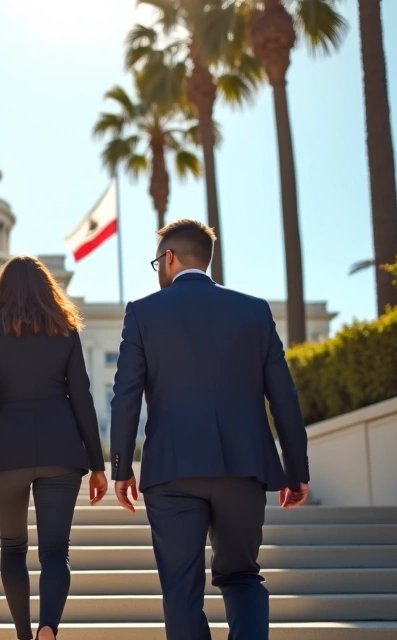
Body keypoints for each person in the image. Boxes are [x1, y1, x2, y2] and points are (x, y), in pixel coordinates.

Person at [110, 219, 310, 640]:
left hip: (172, 470)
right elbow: (284, 397)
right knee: (242, 576)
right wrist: (297, 470)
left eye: (156, 262)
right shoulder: (254, 310)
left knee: (181, 590)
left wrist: (121, 467)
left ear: (169, 258)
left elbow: (126, 395)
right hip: (244, 467)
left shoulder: (143, 312)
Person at [0, 255, 108, 640]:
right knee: (55, 552)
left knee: (12, 547)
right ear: (48, 289)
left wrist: (3, 419)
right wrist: (97, 465)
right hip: (61, 449)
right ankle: (49, 627)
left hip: (7, 451)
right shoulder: (65, 328)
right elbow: (82, 398)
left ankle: (24, 634)